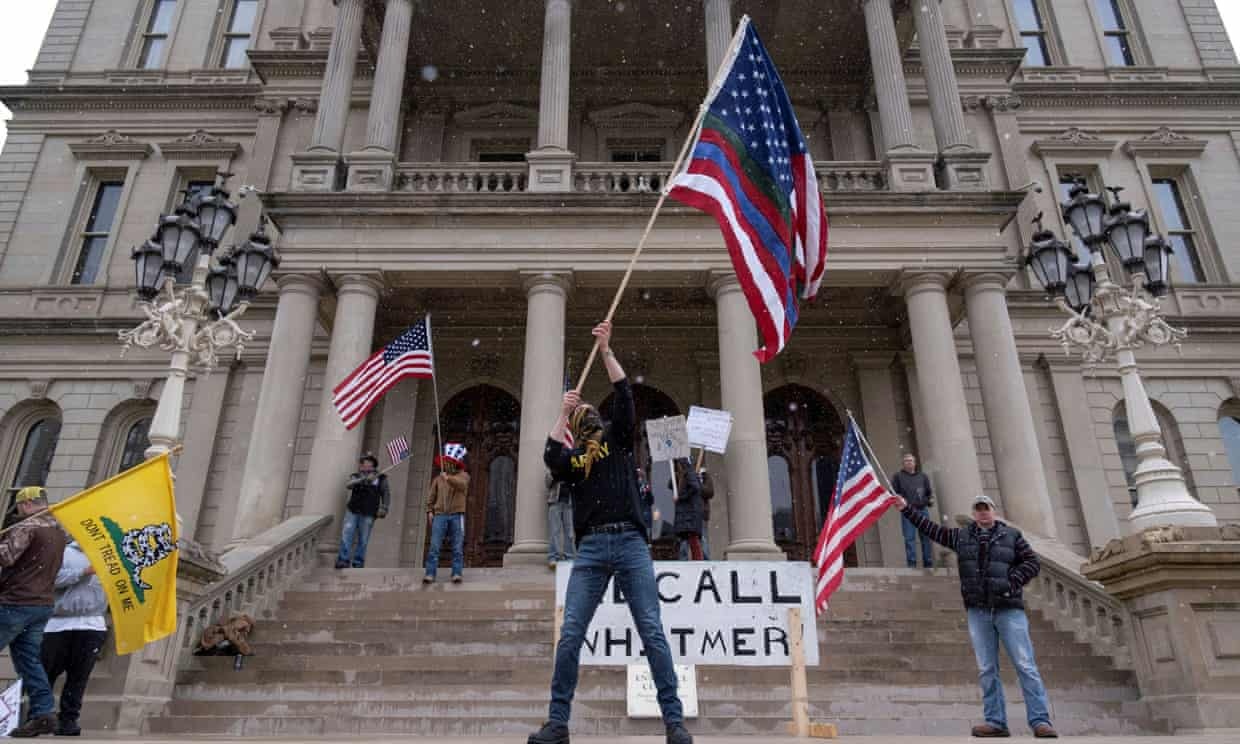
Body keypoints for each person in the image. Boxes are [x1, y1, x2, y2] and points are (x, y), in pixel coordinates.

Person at [529, 320, 692, 744]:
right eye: (579, 418)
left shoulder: (618, 441)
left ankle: (673, 722)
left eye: (587, 415)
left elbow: (623, 394)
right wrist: (562, 412)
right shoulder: (574, 463)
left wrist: (605, 351)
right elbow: (550, 456)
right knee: (570, 637)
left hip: (630, 543)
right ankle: (558, 723)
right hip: (591, 549)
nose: (587, 419)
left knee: (651, 631)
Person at [893, 492, 1058, 739]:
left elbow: (1032, 563)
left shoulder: (1011, 536)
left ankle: (1040, 721)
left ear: (994, 510)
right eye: (978, 509)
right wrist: (906, 509)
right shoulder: (962, 536)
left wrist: (1012, 581)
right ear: (974, 513)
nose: (983, 512)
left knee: (1025, 665)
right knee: (986, 669)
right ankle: (995, 722)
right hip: (978, 611)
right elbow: (930, 529)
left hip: (1008, 610)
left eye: (986, 508)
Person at [0, 486, 67, 738]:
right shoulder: (59, 532)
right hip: (41, 605)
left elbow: (6, 557)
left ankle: (43, 711)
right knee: (29, 662)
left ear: (27, 504)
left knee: (28, 661)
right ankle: (43, 712)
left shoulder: (27, 526)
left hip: (15, 602)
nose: (17, 512)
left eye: (18, 507)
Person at [40, 540, 108, 737]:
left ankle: (68, 719)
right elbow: (49, 579)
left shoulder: (109, 556)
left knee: (79, 676)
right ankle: (40, 715)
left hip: (92, 624)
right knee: (46, 673)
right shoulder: (64, 552)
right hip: (58, 623)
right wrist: (84, 572)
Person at [424, 443, 469, 584]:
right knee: (434, 546)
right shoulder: (438, 479)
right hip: (440, 515)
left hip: (457, 514)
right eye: (446, 461)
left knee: (457, 545)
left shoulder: (464, 476)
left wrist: (448, 479)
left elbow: (462, 486)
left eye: (450, 462)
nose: (447, 464)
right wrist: (429, 510)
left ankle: (456, 573)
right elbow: (431, 496)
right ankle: (430, 573)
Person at [335, 454, 390, 569]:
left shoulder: (381, 478)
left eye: (365, 464)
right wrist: (363, 479)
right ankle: (343, 560)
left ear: (372, 466)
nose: (362, 467)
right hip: (353, 510)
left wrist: (384, 507)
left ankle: (358, 563)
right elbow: (349, 485)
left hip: (369, 512)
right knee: (347, 534)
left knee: (363, 539)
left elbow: (386, 494)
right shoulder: (355, 476)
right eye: (362, 464)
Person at [891, 453, 934, 568]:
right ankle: (912, 564)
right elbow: (893, 493)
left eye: (911, 460)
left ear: (915, 463)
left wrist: (927, 501)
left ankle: (928, 563)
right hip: (907, 512)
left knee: (926, 537)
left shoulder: (923, 476)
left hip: (922, 510)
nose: (909, 462)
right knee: (909, 538)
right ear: (903, 463)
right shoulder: (897, 477)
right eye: (906, 461)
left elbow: (929, 493)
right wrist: (900, 501)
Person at [671, 458, 705, 561]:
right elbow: (670, 484)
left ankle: (698, 561)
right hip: (688, 513)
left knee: (693, 539)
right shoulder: (685, 475)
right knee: (689, 539)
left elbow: (695, 488)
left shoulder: (689, 473)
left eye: (677, 464)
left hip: (690, 513)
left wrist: (681, 497)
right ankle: (692, 560)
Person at [546, 470, 576, 568]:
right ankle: (553, 557)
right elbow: (547, 482)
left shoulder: (573, 467)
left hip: (569, 503)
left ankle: (569, 557)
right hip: (555, 502)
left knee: (570, 532)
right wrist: (556, 474)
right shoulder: (553, 467)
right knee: (554, 531)